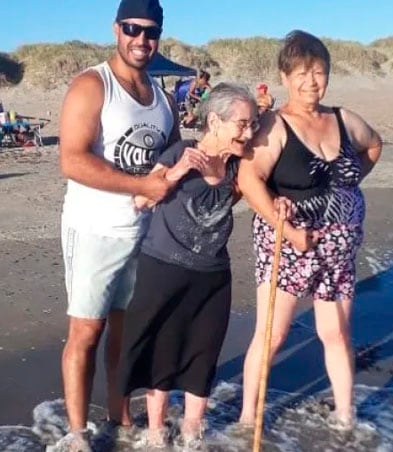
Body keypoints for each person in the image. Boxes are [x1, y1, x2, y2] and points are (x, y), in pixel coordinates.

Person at [237, 30, 383, 432]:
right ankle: (249, 417)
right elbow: (250, 181)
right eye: (301, 72)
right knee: (273, 335)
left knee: (335, 332)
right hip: (287, 244)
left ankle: (345, 416)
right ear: (285, 77)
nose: (311, 81)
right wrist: (290, 228)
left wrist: (343, 194)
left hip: (338, 250)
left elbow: (373, 146)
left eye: (318, 71)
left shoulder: (343, 119)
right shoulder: (274, 126)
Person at [57, 0, 180, 449]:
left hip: (144, 239)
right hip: (93, 230)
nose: (141, 39)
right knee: (86, 333)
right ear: (116, 29)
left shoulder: (164, 99)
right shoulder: (93, 86)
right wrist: (140, 185)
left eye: (151, 32)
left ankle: (120, 417)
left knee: (126, 337)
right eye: (132, 28)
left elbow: (171, 163)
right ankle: (76, 435)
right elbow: (71, 160)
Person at [119, 83, 257, 449]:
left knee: (203, 353)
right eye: (242, 124)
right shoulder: (182, 151)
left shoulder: (240, 166)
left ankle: (193, 431)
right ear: (214, 120)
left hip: (212, 276)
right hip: (164, 268)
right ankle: (156, 432)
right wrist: (177, 171)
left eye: (253, 124)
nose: (248, 132)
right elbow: (139, 201)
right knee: (162, 351)